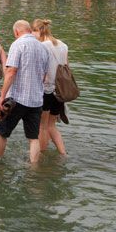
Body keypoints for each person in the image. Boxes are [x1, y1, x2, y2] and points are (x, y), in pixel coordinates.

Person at [0, 20, 50, 164]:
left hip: (16, 99)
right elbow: (44, 76)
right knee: (33, 137)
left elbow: (11, 71)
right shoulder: (43, 48)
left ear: (16, 32)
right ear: (30, 30)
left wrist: (2, 96)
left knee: (2, 132)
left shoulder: (18, 44)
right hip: (36, 100)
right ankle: (34, 166)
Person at [32, 19, 68, 155]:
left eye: (33, 32)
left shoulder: (42, 46)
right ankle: (63, 153)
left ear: (39, 30)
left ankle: (40, 154)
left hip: (46, 90)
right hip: (59, 90)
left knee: (42, 126)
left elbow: (41, 71)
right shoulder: (64, 45)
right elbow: (66, 68)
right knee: (51, 125)